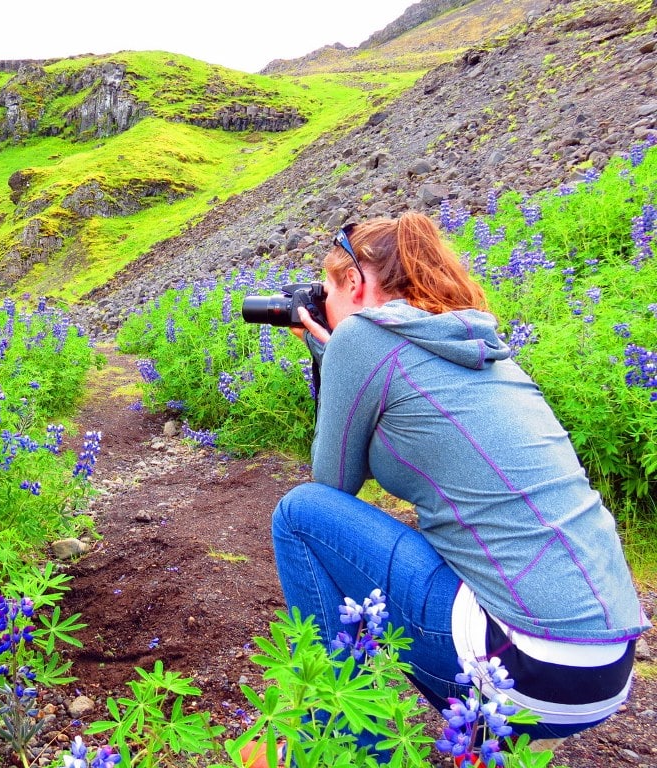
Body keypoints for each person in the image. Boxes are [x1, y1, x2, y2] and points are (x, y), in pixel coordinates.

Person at [254, 212, 651, 763]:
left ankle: (338, 744)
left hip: (523, 666)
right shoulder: (476, 342)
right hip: (606, 670)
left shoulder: (362, 338)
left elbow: (332, 485)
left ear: (355, 283)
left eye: (327, 290)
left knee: (300, 513)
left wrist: (329, 350)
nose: (323, 305)